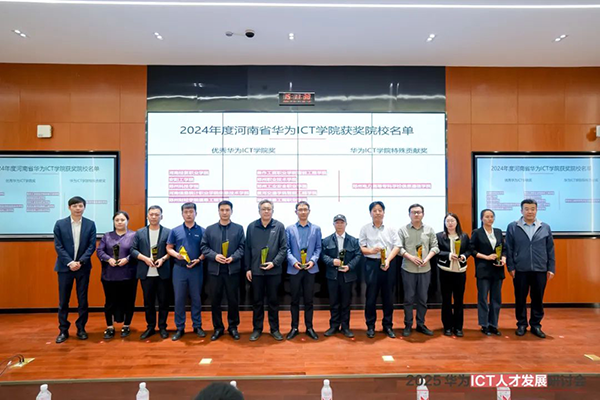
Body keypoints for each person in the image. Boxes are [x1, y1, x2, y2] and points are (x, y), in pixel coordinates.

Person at [506, 199, 556, 339]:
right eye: (527, 209)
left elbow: (550, 249)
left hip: (540, 269)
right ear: (521, 211)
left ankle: (536, 325)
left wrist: (551, 268)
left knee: (538, 298)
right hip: (520, 269)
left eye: (532, 209)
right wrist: (511, 266)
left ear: (536, 210)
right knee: (520, 298)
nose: (530, 211)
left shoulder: (545, 227)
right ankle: (521, 324)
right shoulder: (513, 227)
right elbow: (509, 248)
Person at [53, 196, 97, 343]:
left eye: (80, 206)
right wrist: (70, 262)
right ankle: (63, 330)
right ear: (69, 208)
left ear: (84, 207)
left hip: (83, 268)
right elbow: (58, 246)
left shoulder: (90, 224)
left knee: (82, 299)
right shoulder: (60, 224)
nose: (78, 208)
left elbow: (91, 246)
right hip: (65, 268)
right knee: (63, 300)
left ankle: (81, 328)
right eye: (75, 206)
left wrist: (80, 262)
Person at [201, 200, 245, 341]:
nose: (225, 212)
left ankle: (233, 327)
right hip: (215, 271)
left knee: (233, 300)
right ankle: (218, 328)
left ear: (231, 211)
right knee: (215, 301)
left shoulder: (238, 229)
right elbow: (204, 247)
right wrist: (215, 256)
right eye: (222, 210)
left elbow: (242, 247)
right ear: (218, 211)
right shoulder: (209, 229)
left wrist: (233, 257)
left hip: (232, 270)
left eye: (227, 210)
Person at [245, 199, 287, 341]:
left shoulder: (279, 226)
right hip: (256, 272)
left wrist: (274, 263)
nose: (266, 211)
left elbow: (283, 248)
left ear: (272, 211)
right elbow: (247, 249)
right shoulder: (251, 227)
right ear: (259, 211)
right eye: (263, 209)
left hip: (273, 271)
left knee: (273, 302)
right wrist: (248, 268)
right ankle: (257, 329)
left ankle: (274, 329)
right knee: (257, 302)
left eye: (269, 209)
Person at [359, 201, 401, 339]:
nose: (377, 213)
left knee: (388, 297)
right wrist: (371, 251)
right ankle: (370, 326)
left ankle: (387, 325)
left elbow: (397, 246)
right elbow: (361, 248)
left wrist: (388, 260)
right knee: (371, 297)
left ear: (384, 212)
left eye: (380, 210)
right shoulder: (365, 228)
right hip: (371, 264)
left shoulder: (391, 228)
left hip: (388, 264)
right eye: (374, 210)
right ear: (370, 213)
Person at [398, 203, 439, 337]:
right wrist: (410, 257)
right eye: (413, 212)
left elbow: (435, 247)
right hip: (408, 269)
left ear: (423, 214)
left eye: (419, 212)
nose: (416, 214)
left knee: (422, 299)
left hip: (425, 269)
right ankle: (408, 325)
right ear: (409, 214)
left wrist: (427, 258)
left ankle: (421, 324)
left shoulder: (429, 229)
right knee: (408, 299)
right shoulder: (403, 230)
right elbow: (399, 248)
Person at [131, 205, 172, 340]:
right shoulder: (140, 232)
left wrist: (163, 259)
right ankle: (150, 327)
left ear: (161, 216)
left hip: (162, 272)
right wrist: (145, 259)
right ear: (147, 216)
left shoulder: (168, 232)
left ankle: (162, 327)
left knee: (163, 302)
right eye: (151, 214)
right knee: (148, 302)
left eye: (157, 214)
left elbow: (172, 250)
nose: (154, 217)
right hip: (146, 273)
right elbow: (133, 250)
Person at [166, 202, 205, 341]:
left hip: (196, 269)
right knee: (179, 299)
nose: (188, 214)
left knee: (196, 298)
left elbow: (206, 250)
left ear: (196, 213)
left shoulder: (203, 231)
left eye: (191, 212)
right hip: (179, 269)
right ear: (182, 214)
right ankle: (180, 327)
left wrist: (199, 259)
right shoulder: (175, 231)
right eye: (186, 212)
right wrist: (176, 255)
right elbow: (169, 248)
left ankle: (197, 326)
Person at [96, 211, 137, 339]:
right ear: (113, 222)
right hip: (110, 275)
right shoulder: (107, 236)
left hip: (128, 274)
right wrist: (108, 259)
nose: (119, 222)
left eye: (122, 220)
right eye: (117, 220)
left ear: (127, 221)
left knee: (128, 301)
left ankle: (126, 325)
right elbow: (100, 251)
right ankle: (110, 327)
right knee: (110, 302)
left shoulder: (133, 235)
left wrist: (128, 259)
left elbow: (137, 251)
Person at [285, 201, 322, 340]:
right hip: (294, 269)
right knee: (294, 300)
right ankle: (294, 327)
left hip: (310, 269)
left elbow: (318, 248)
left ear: (309, 211)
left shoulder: (316, 229)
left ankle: (309, 327)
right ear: (296, 212)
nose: (303, 212)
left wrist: (313, 261)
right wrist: (294, 262)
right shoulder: (289, 229)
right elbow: (287, 248)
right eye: (300, 210)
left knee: (309, 300)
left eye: (305, 209)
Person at [321, 214, 362, 338]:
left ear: (346, 224)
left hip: (347, 275)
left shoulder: (353, 241)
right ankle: (334, 326)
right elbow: (322, 255)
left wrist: (349, 266)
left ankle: (345, 327)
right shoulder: (326, 240)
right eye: (337, 222)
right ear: (333, 224)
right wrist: (332, 261)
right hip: (332, 275)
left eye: (341, 222)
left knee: (346, 303)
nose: (339, 225)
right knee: (334, 302)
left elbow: (358, 255)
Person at [470, 208, 506, 336]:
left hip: (497, 269)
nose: (490, 219)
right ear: (481, 219)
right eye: (487, 217)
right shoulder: (477, 233)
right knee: (483, 298)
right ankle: (484, 324)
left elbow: (504, 248)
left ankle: (493, 324)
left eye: (491, 216)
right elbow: (472, 250)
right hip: (483, 270)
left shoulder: (498, 232)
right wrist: (486, 257)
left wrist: (504, 258)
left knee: (496, 299)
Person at [435, 213, 471, 337]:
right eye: (448, 221)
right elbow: (436, 251)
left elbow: (469, 250)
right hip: (445, 271)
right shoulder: (439, 236)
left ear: (457, 223)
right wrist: (448, 255)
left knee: (459, 300)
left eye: (452, 221)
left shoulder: (464, 236)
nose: (450, 223)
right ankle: (447, 327)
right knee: (446, 300)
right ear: (445, 223)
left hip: (460, 272)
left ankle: (458, 327)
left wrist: (464, 256)